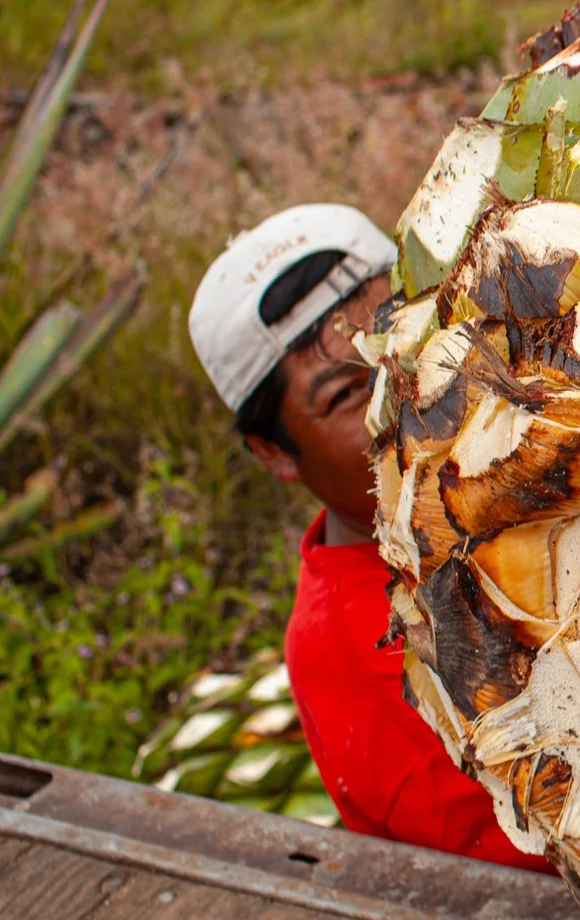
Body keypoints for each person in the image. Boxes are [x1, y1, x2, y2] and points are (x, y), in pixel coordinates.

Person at [189, 204, 547, 873]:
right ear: (274, 451)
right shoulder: (348, 646)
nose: (405, 396)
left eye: (407, 343)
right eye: (348, 392)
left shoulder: (506, 467)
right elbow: (543, 857)